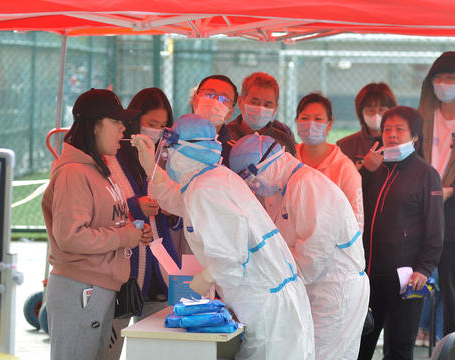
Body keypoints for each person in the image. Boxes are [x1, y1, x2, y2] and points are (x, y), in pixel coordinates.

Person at [131, 114, 315, 360]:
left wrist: (205, 279)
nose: (167, 155)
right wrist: (150, 168)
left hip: (266, 308)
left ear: (185, 150)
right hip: (269, 300)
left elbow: (230, 256)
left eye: (171, 148)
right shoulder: (210, 179)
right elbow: (177, 199)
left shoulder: (207, 188)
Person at [230, 133, 369, 359]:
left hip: (335, 290)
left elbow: (312, 258)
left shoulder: (309, 186)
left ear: (270, 162)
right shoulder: (280, 189)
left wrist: (270, 286)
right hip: (312, 289)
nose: (254, 187)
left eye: (253, 177)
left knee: (323, 355)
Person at [42, 88, 152, 360]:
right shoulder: (74, 173)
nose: (123, 128)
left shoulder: (98, 169)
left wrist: (133, 232)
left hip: (98, 289)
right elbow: (71, 236)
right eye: (115, 121)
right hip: (80, 289)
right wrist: (122, 237)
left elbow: (105, 220)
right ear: (94, 126)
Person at [358, 106, 444, 360]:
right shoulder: (374, 169)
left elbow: (436, 230)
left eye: (399, 129)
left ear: (415, 136)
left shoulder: (426, 174)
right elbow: (351, 206)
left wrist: (424, 269)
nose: (392, 134)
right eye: (387, 129)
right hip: (368, 276)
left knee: (398, 349)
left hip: (406, 280)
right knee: (359, 346)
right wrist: (365, 171)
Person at [104, 88, 180, 359]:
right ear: (135, 121)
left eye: (162, 126)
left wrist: (169, 208)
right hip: (124, 271)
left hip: (161, 270)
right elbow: (104, 205)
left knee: (156, 350)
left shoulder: (167, 155)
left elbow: (177, 205)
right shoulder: (113, 154)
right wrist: (136, 206)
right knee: (110, 346)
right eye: (150, 124)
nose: (156, 132)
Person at [418, 51, 455, 337]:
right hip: (419, 218)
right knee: (410, 291)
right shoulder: (422, 119)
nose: (443, 84)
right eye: (438, 78)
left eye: (450, 78)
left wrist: (453, 191)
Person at [295, 92, 364, 230]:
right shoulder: (288, 160)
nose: (310, 124)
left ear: (330, 124)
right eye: (305, 118)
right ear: (296, 122)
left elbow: (356, 222)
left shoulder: (345, 169)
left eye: (318, 119)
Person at [227, 72, 296, 153]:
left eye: (267, 105)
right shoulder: (225, 136)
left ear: (275, 109)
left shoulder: (283, 142)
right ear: (240, 102)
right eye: (254, 103)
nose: (260, 109)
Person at [337, 82, 398, 170]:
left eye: (381, 110)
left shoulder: (400, 144)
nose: (376, 115)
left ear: (391, 112)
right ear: (361, 113)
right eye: (371, 110)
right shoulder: (345, 146)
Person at [191, 74, 238, 167]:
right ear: (195, 100)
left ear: (230, 112)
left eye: (223, 99)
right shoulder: (174, 138)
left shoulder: (234, 154)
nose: (215, 102)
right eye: (209, 94)